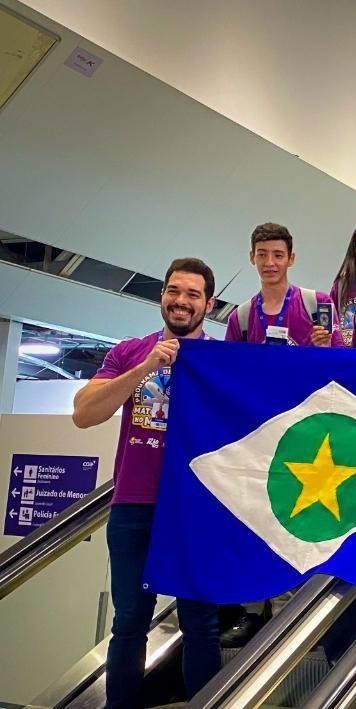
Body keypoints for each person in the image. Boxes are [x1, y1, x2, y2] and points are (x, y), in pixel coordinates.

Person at [73, 258, 222, 708]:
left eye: (193, 294)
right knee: (129, 624)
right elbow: (84, 414)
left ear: (209, 304)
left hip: (195, 509)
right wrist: (144, 368)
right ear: (162, 296)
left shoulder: (224, 360)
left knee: (201, 626)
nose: (181, 301)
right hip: (134, 504)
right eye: (174, 291)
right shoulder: (129, 351)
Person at [226, 223, 342, 347]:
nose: (269, 263)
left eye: (278, 256)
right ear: (252, 257)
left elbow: (340, 355)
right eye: (262, 255)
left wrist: (326, 346)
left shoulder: (319, 303)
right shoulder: (240, 318)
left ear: (291, 259)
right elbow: (228, 359)